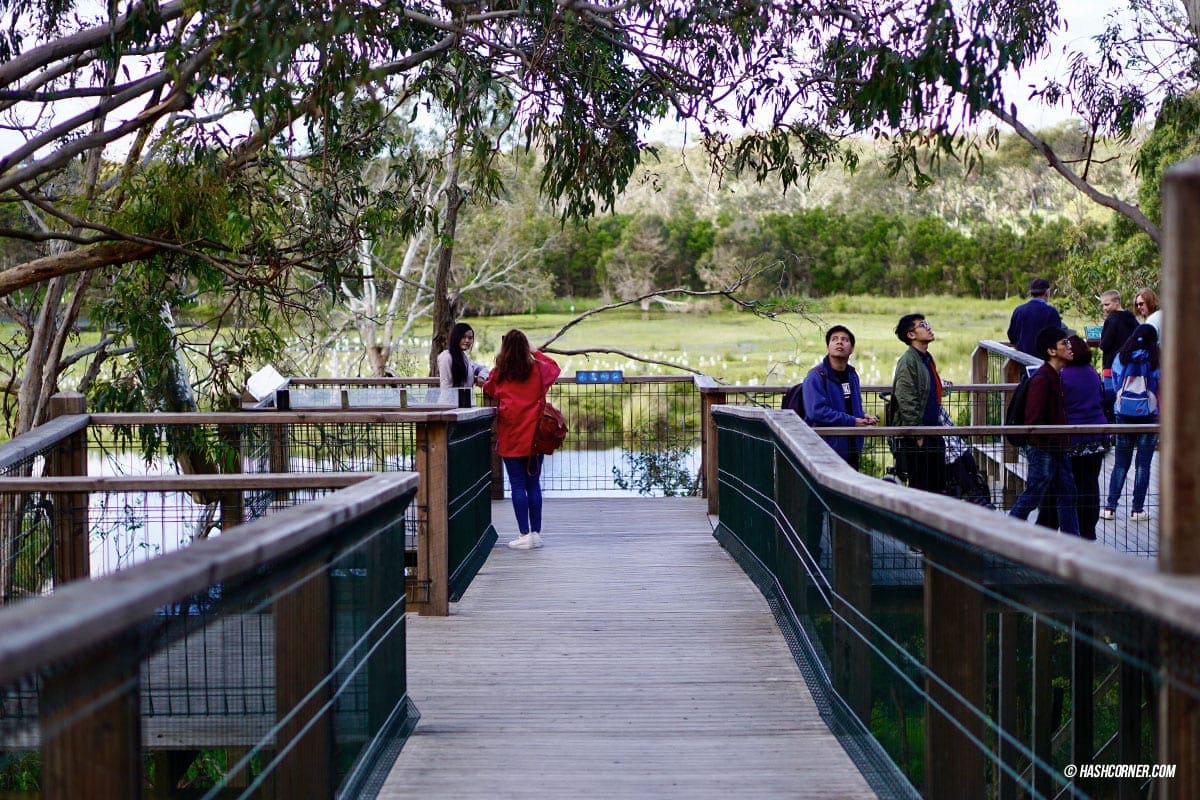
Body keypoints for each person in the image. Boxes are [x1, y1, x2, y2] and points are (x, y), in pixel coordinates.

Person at [482, 329, 561, 550]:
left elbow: (489, 388)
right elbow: (555, 369)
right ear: (526, 347)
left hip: (511, 435)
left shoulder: (500, 372)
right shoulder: (538, 369)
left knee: (517, 485)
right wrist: (537, 352)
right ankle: (536, 533)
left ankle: (524, 534)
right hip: (535, 436)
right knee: (534, 484)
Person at [1008, 327, 1080, 535]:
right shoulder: (1042, 379)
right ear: (1051, 351)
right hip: (1044, 447)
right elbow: (1033, 419)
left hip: (1055, 446)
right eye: (1064, 343)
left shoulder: (1054, 376)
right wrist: (1055, 435)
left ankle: (1072, 541)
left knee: (1067, 493)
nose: (1070, 347)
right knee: (1034, 493)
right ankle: (1003, 533)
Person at [1101, 324, 1161, 522]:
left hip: (1124, 415)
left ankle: (1110, 507)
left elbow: (1117, 382)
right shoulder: (1156, 359)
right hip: (1148, 416)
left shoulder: (1122, 356)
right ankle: (1137, 510)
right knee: (1143, 465)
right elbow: (1161, 382)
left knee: (1120, 464)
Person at [802, 325, 879, 468]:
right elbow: (816, 412)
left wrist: (862, 416)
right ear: (828, 346)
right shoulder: (816, 376)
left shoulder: (852, 375)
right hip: (824, 451)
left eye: (845, 340)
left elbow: (850, 406)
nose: (839, 342)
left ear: (852, 349)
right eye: (834, 339)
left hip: (852, 449)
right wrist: (853, 421)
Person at [1060, 335, 1109, 540]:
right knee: (1091, 483)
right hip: (1098, 434)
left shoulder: (1062, 375)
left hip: (1075, 436)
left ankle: (1075, 528)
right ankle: (1090, 529)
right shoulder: (1092, 373)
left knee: (1074, 484)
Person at [891, 313, 946, 492]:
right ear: (911, 335)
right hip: (918, 437)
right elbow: (906, 399)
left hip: (933, 430)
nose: (928, 327)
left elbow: (926, 389)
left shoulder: (926, 358)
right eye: (923, 325)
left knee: (937, 486)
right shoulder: (908, 361)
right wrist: (918, 434)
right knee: (922, 488)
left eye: (927, 323)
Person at [1098, 290, 1138, 420]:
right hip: (1130, 367)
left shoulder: (1111, 320)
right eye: (1103, 305)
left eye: (1107, 304)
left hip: (1111, 366)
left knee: (1111, 401)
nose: (1105, 308)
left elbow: (1104, 345)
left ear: (1117, 302)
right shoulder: (1132, 318)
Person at [1007, 278, 1064, 359]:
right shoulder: (1051, 312)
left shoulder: (1018, 310)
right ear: (1047, 292)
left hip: (1020, 361)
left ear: (1031, 293)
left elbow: (1012, 336)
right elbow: (1057, 339)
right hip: (1042, 363)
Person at [436, 322, 489, 404]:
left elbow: (483, 368)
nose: (467, 341)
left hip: (465, 405)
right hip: (449, 407)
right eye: (463, 337)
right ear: (456, 337)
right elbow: (446, 386)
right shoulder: (446, 357)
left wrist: (481, 377)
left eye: (470, 338)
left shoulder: (465, 358)